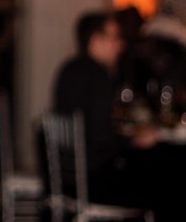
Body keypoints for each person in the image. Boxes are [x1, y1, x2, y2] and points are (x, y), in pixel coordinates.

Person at [52, 11, 157, 206]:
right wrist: (134, 141)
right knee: (163, 180)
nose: (121, 45)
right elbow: (101, 141)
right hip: (93, 182)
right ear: (96, 40)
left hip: (69, 178)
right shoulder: (97, 76)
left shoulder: (68, 69)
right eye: (115, 37)